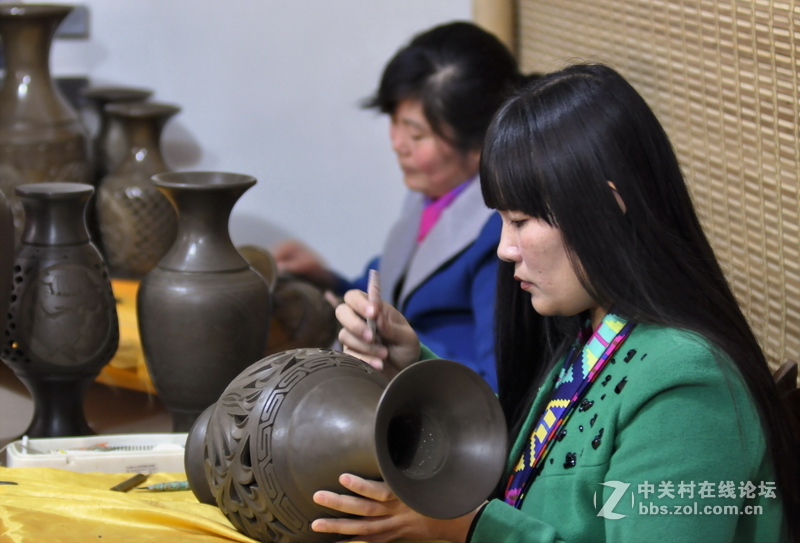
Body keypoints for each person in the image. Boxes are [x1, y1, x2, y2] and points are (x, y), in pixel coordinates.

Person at [309, 63, 799, 542]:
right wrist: (410, 365)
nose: (504, 249)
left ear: (608, 206)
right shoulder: (590, 333)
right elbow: (524, 454)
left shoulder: (688, 387)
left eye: (520, 221)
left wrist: (466, 529)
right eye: (501, 220)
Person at [272, 21, 528, 390]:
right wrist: (328, 279)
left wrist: (405, 349)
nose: (397, 143)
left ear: (479, 143)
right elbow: (394, 285)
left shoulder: (498, 238)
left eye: (417, 134)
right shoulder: (430, 195)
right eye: (395, 122)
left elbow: (499, 383)